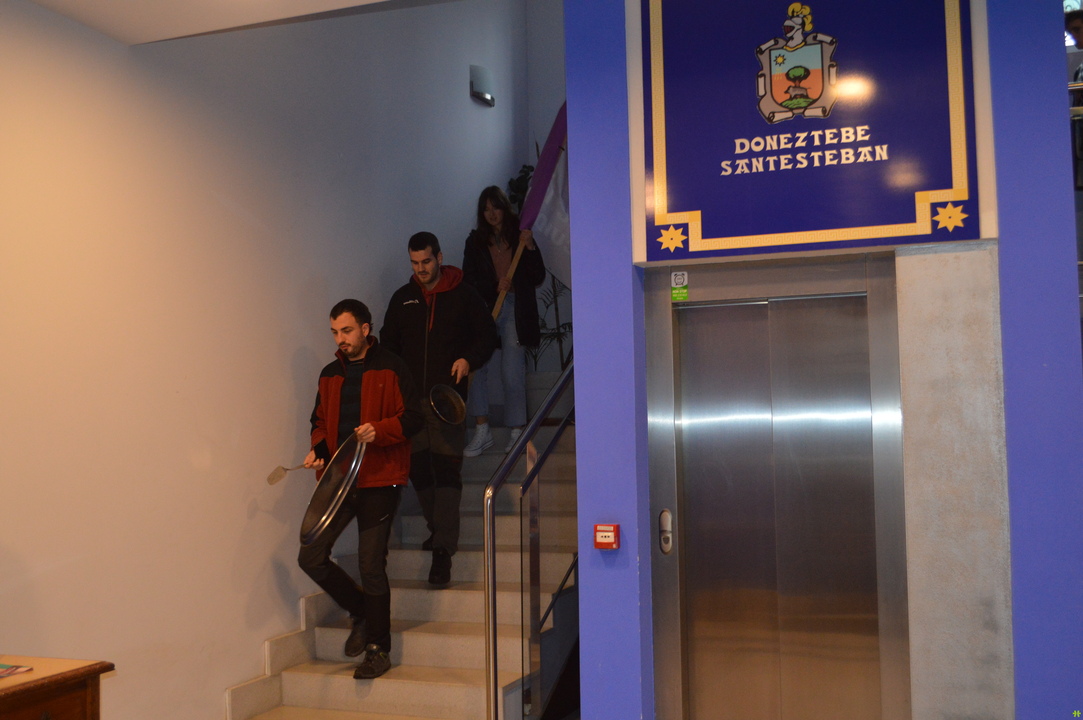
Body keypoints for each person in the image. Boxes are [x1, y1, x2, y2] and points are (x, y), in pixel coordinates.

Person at [298, 299, 423, 680]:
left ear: (366, 329)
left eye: (347, 330)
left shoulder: (392, 366)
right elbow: (320, 422)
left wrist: (379, 431)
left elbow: (413, 418)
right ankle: (363, 612)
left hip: (380, 478)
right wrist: (319, 451)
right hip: (339, 480)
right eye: (335, 332)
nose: (341, 339)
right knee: (310, 556)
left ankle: (378, 650)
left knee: (370, 564)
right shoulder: (329, 374)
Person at [381, 232, 498, 587]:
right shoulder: (402, 299)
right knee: (419, 471)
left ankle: (443, 552)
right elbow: (389, 346)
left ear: (439, 257)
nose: (421, 269)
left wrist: (468, 359)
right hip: (410, 404)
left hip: (448, 401)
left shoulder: (464, 295)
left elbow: (488, 336)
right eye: (415, 263)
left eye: (426, 262)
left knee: (446, 473)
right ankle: (439, 530)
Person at [461, 186, 547, 456]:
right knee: (478, 368)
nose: (491, 214)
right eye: (486, 209)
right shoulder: (475, 241)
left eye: (495, 207)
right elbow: (469, 280)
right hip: (486, 309)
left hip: (514, 309)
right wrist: (493, 286)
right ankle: (482, 430)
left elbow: (537, 276)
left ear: (504, 207)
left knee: (511, 371)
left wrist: (530, 247)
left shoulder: (519, 236)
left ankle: (516, 431)